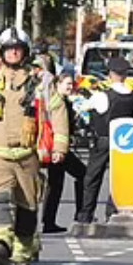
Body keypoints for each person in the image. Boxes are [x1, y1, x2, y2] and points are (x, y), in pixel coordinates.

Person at [0, 27, 69, 265]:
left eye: (17, 49)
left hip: (28, 155)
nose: (13, 53)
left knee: (27, 205)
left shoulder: (41, 81)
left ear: (25, 52)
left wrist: (60, 145)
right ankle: (0, 244)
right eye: (9, 49)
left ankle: (21, 254)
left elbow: (57, 112)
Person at [75, 57, 133, 224]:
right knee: (118, 177)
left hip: (103, 140)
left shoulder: (103, 96)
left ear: (110, 74)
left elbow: (82, 108)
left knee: (92, 178)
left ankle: (86, 213)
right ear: (125, 75)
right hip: (125, 141)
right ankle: (113, 210)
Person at [42, 71, 87, 233]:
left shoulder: (59, 99)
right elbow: (60, 126)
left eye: (72, 84)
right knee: (83, 175)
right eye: (67, 84)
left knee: (55, 184)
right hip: (57, 149)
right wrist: (59, 149)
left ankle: (49, 221)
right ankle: (81, 214)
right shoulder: (58, 102)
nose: (70, 87)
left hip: (56, 148)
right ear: (57, 84)